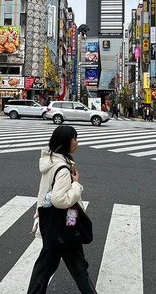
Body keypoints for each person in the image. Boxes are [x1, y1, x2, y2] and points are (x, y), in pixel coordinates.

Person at [28, 126, 96, 294]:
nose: (77, 143)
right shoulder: (63, 169)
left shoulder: (50, 161)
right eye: (75, 139)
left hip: (52, 223)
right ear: (66, 142)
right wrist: (76, 184)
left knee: (44, 268)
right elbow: (60, 200)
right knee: (78, 268)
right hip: (65, 225)